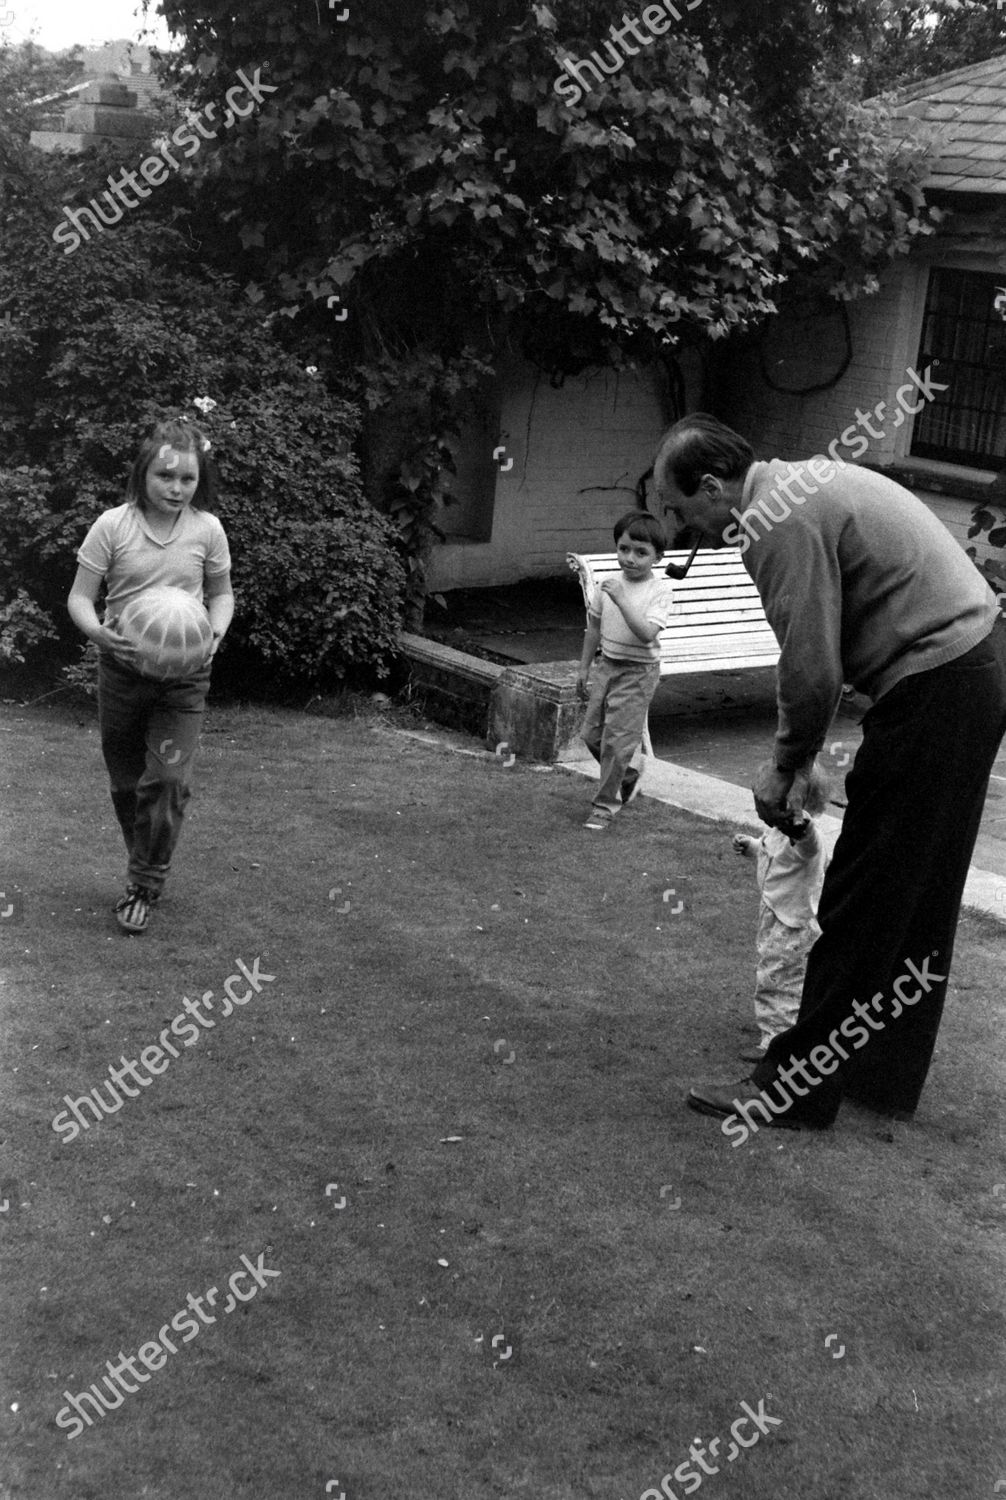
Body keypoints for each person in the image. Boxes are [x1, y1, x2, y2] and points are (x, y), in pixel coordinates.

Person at [652, 412, 1006, 1129]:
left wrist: (785, 768)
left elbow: (812, 670)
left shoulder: (772, 520)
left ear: (715, 487)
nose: (684, 530)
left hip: (939, 683)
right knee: (918, 891)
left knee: (861, 891)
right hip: (979, 666)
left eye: (682, 512)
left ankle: (796, 1087)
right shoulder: (798, 486)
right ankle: (882, 1076)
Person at [67, 418, 233, 935]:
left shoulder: (207, 530)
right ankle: (146, 864)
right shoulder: (112, 526)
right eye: (166, 476)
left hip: (186, 678)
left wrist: (215, 633)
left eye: (187, 479)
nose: (176, 488)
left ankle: (143, 884)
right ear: (143, 474)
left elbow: (221, 593)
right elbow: (79, 597)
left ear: (198, 481)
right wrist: (99, 634)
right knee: (126, 784)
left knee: (166, 779)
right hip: (122, 672)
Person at [574, 510, 676, 831]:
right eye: (624, 549)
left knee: (617, 742)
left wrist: (621, 599)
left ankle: (604, 806)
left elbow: (646, 632)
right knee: (591, 734)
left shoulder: (659, 592)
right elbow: (593, 629)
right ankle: (628, 774)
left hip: (638, 672)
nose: (630, 558)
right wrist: (584, 668)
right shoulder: (608, 585)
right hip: (608, 666)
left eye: (641, 552)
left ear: (657, 558)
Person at [731, 760, 830, 1064]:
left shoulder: (805, 835)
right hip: (775, 913)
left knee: (777, 977)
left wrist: (798, 816)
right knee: (774, 971)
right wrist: (751, 846)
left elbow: (806, 841)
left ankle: (775, 1042)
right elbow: (769, 850)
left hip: (793, 923)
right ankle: (783, 1031)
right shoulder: (777, 831)